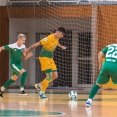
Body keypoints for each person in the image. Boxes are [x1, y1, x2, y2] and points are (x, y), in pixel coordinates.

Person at [24, 27, 67, 98]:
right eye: (61, 34)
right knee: (49, 77)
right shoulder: (49, 38)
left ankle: (39, 85)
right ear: (58, 32)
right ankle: (42, 92)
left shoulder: (57, 37)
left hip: (50, 58)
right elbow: (37, 44)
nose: (62, 36)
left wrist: (61, 46)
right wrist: (28, 49)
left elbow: (57, 42)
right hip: (44, 57)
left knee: (55, 76)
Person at [0, 34, 33, 98]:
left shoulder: (23, 46)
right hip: (14, 65)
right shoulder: (12, 46)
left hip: (19, 65)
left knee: (13, 79)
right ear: (19, 39)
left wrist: (28, 56)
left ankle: (1, 90)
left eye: (24, 40)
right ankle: (22, 90)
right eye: (23, 40)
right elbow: (1, 47)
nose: (24, 41)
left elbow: (25, 58)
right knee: (25, 73)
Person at [86, 42, 117, 107]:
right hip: (115, 67)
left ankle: (89, 100)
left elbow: (100, 54)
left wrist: (100, 65)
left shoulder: (110, 45)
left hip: (105, 66)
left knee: (98, 84)